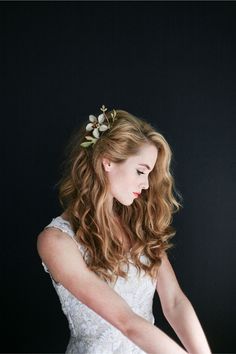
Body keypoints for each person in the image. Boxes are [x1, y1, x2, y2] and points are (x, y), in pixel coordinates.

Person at [37, 105, 211, 354]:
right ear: (107, 161)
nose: (146, 184)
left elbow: (174, 302)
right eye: (141, 171)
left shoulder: (138, 225)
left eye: (149, 174)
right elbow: (126, 322)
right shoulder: (56, 241)